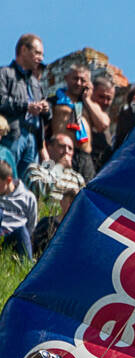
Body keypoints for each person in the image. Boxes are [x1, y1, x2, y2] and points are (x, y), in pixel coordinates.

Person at [0, 34, 48, 180]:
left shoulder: (35, 82)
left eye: (42, 54)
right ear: (23, 50)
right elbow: (1, 101)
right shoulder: (5, 73)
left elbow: (45, 117)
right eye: (37, 53)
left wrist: (46, 109)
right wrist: (26, 107)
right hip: (13, 134)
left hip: (32, 138)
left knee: (26, 185)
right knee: (7, 177)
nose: (41, 58)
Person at [25, 131, 84, 204]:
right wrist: (60, 166)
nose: (66, 151)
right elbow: (40, 191)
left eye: (70, 148)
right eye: (62, 146)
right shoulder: (36, 169)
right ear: (49, 148)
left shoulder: (77, 178)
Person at [0, 159, 37, 260]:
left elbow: (32, 225)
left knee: (22, 230)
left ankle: (26, 263)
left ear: (8, 180)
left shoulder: (27, 197)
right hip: (1, 235)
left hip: (17, 237)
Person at [31, 182, 74, 259]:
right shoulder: (46, 223)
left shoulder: (78, 229)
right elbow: (34, 248)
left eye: (75, 203)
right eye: (70, 202)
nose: (73, 206)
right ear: (61, 203)